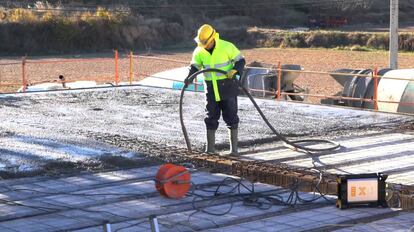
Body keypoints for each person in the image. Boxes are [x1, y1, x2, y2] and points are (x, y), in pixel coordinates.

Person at [184, 24, 246, 156]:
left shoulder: (226, 46)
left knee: (231, 117)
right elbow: (195, 66)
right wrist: (189, 77)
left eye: (205, 43)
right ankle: (210, 150)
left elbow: (240, 60)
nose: (203, 45)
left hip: (227, 86)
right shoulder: (199, 51)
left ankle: (234, 151)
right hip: (211, 88)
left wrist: (235, 70)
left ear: (212, 38)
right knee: (211, 117)